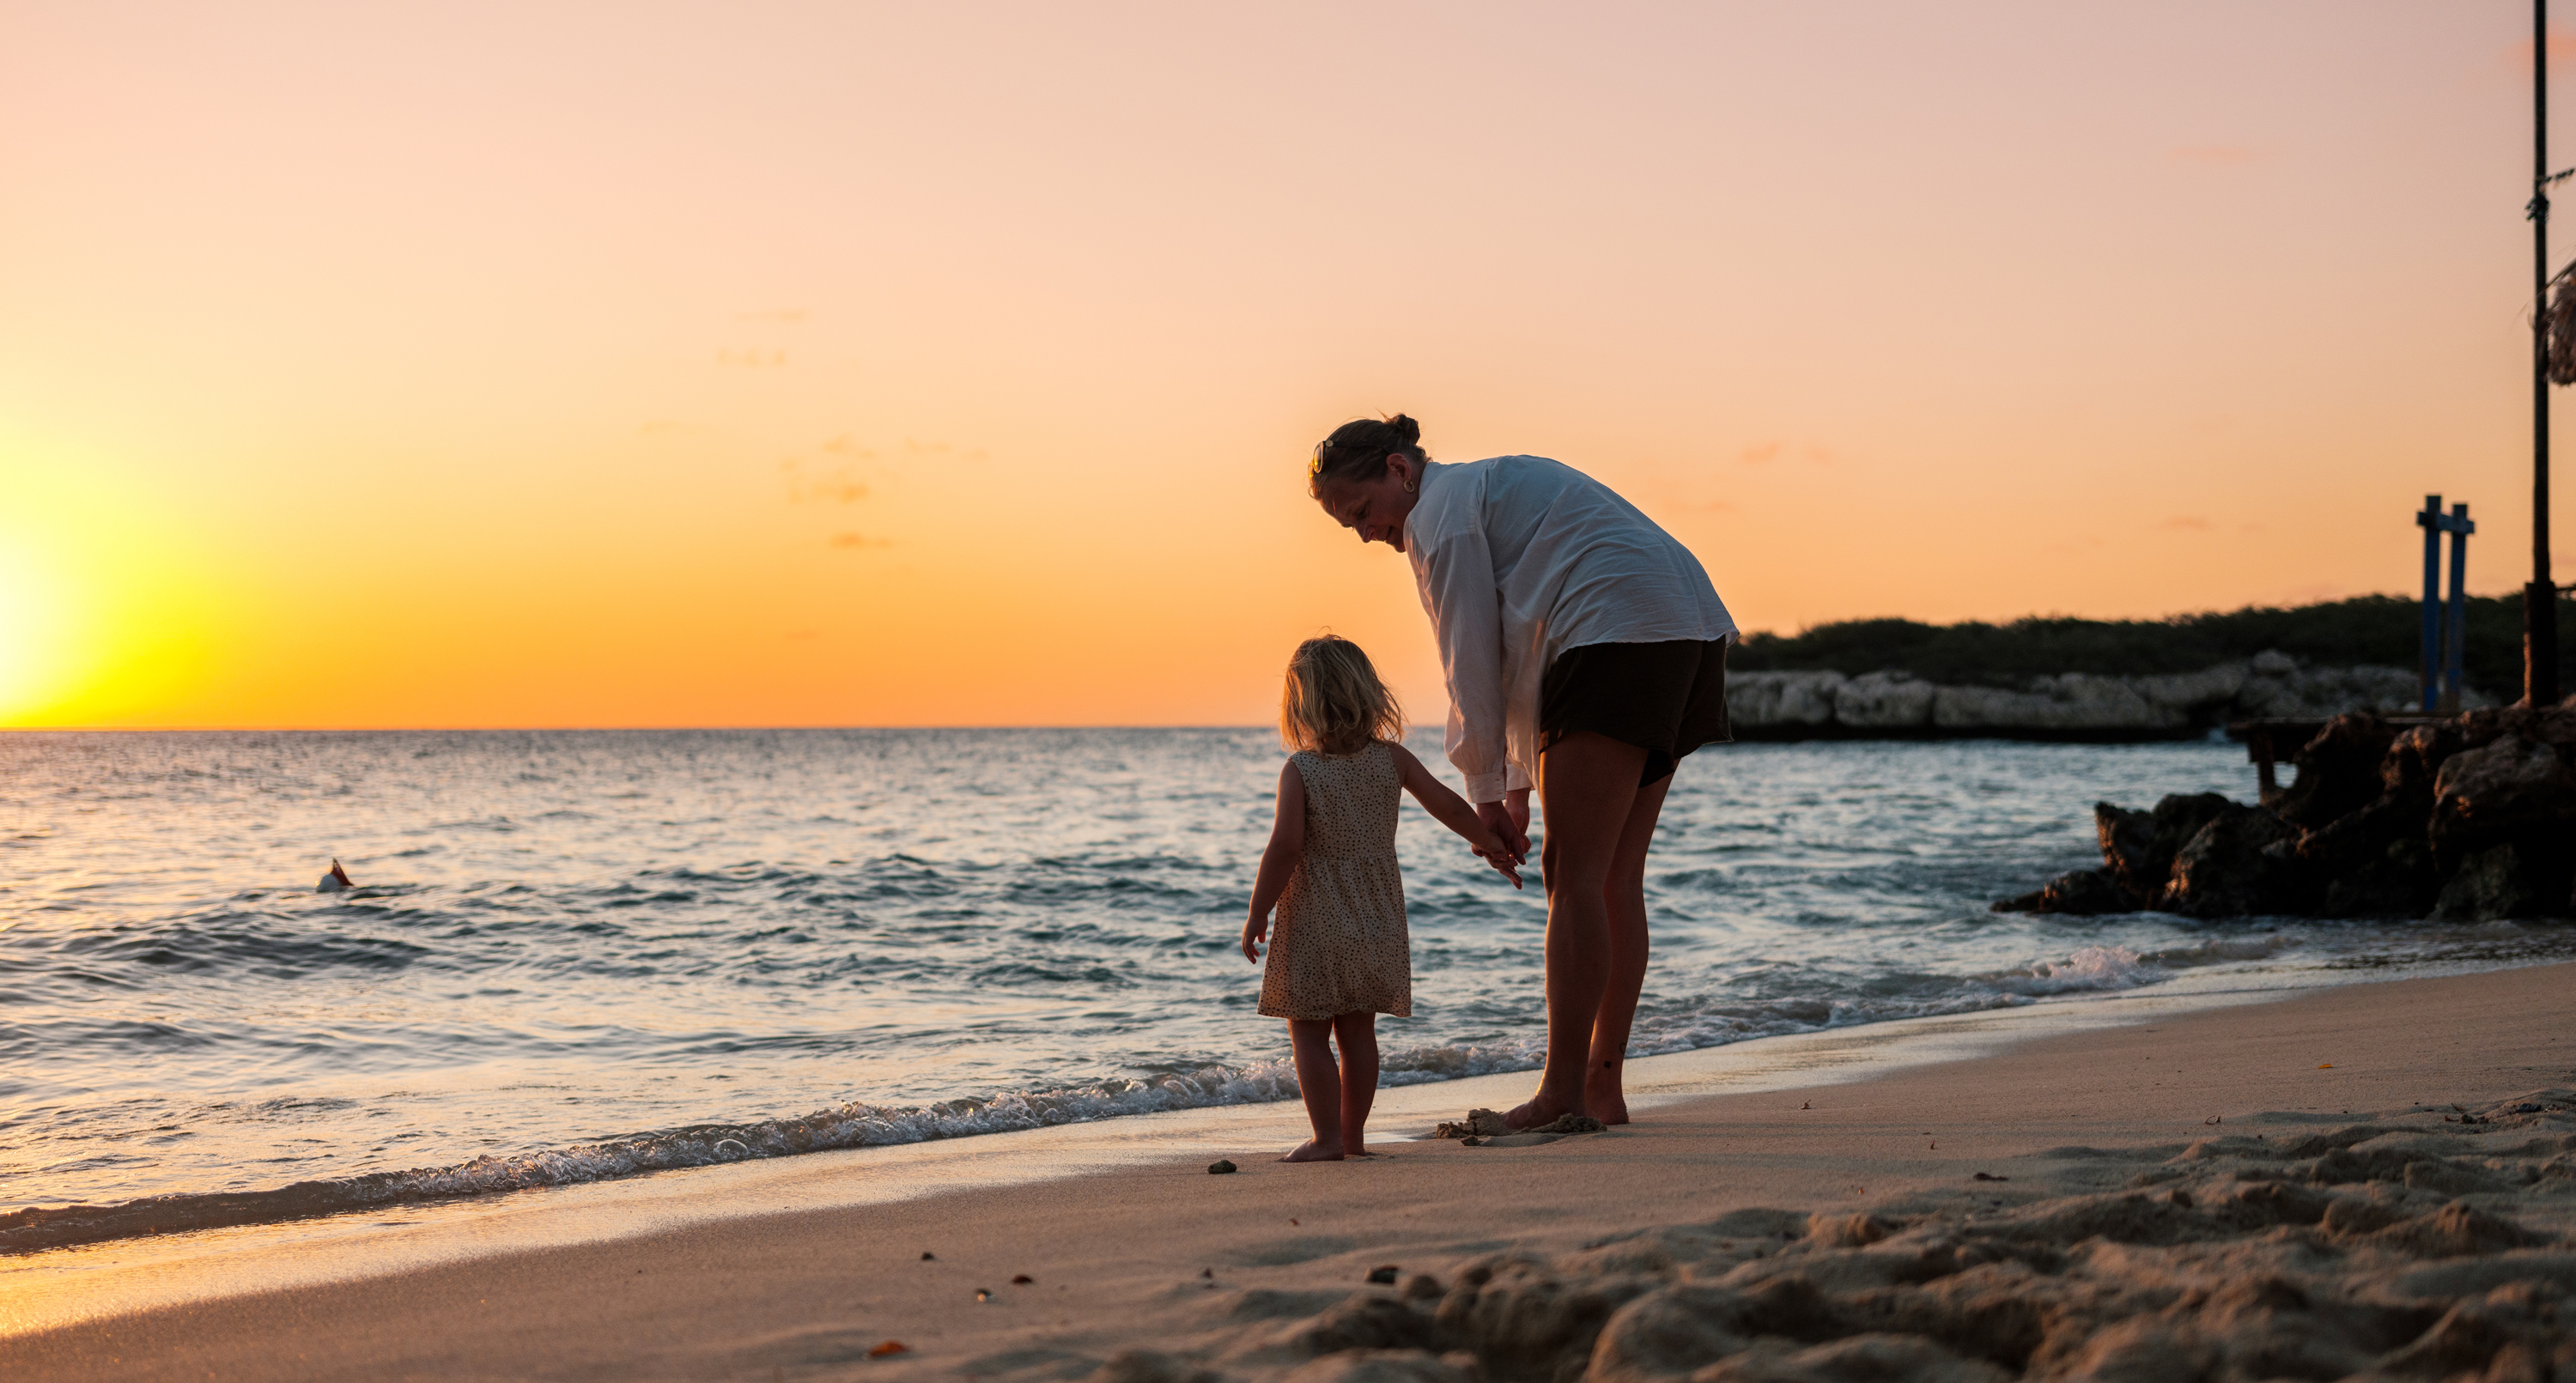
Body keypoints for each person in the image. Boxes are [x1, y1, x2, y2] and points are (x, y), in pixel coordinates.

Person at [1308, 415, 1735, 1129]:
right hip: (1688, 628)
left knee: (1572, 878)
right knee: (1611, 878)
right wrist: (1510, 788)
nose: (1365, 533)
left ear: (1399, 470)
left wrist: (1483, 797)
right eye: (1348, 524)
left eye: (1361, 510)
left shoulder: (1439, 518)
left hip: (1618, 629)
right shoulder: (1481, 489)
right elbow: (1520, 661)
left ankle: (1564, 1090)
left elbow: (1472, 665)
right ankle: (1601, 1089)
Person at [1241, 634, 1522, 1162]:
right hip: (1378, 919)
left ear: (1301, 706)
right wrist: (1492, 845)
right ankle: (1353, 1140)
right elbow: (1451, 807)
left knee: (1308, 1032)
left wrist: (1259, 911)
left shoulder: (1300, 770)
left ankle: (1326, 1139)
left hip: (1314, 921)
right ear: (1368, 695)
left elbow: (1285, 846)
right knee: (1358, 1032)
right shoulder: (1392, 760)